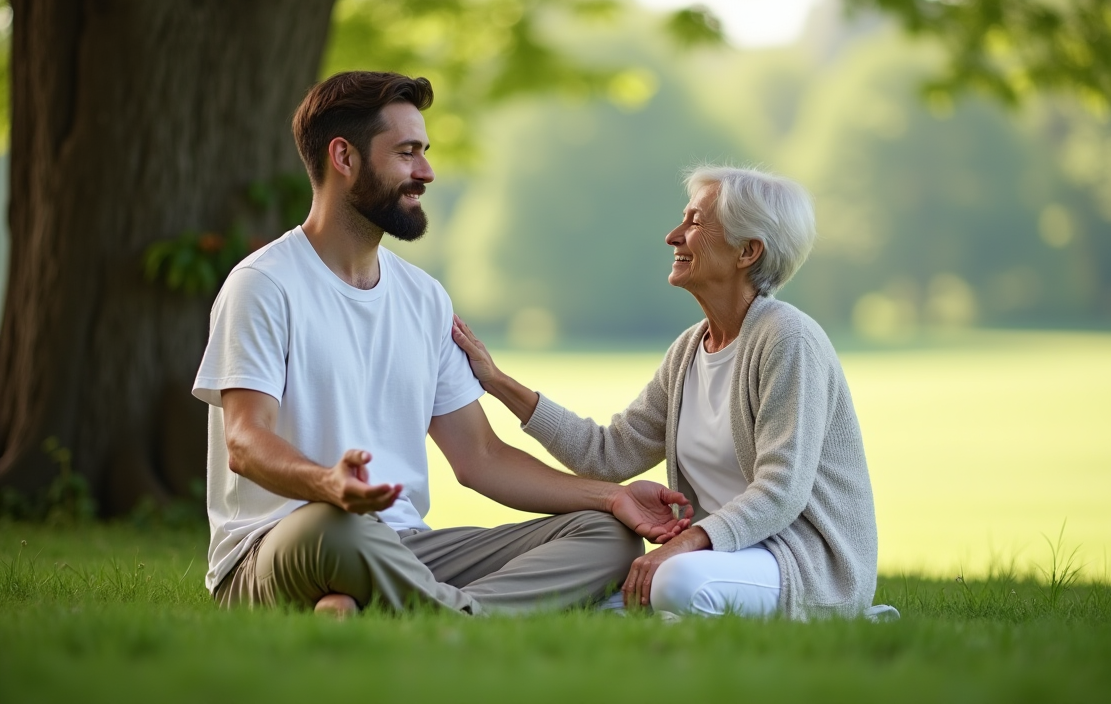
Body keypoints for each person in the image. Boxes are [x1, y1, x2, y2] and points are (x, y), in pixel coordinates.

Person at [193, 71, 692, 617]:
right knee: (340, 532)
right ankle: (452, 613)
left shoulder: (422, 296)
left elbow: (480, 457)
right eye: (407, 153)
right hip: (286, 541)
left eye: (424, 153)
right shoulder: (265, 284)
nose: (425, 172)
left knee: (607, 536)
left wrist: (612, 496)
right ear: (344, 157)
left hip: (406, 546)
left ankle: (415, 609)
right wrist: (328, 484)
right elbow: (244, 441)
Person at [453, 166, 893, 620]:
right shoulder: (689, 349)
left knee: (675, 580)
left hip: (800, 564)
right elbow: (607, 454)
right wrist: (498, 382)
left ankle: (679, 612)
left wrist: (682, 547)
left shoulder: (788, 339)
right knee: (587, 600)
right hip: (723, 558)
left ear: (748, 251)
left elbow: (781, 491)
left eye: (695, 223)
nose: (673, 235)